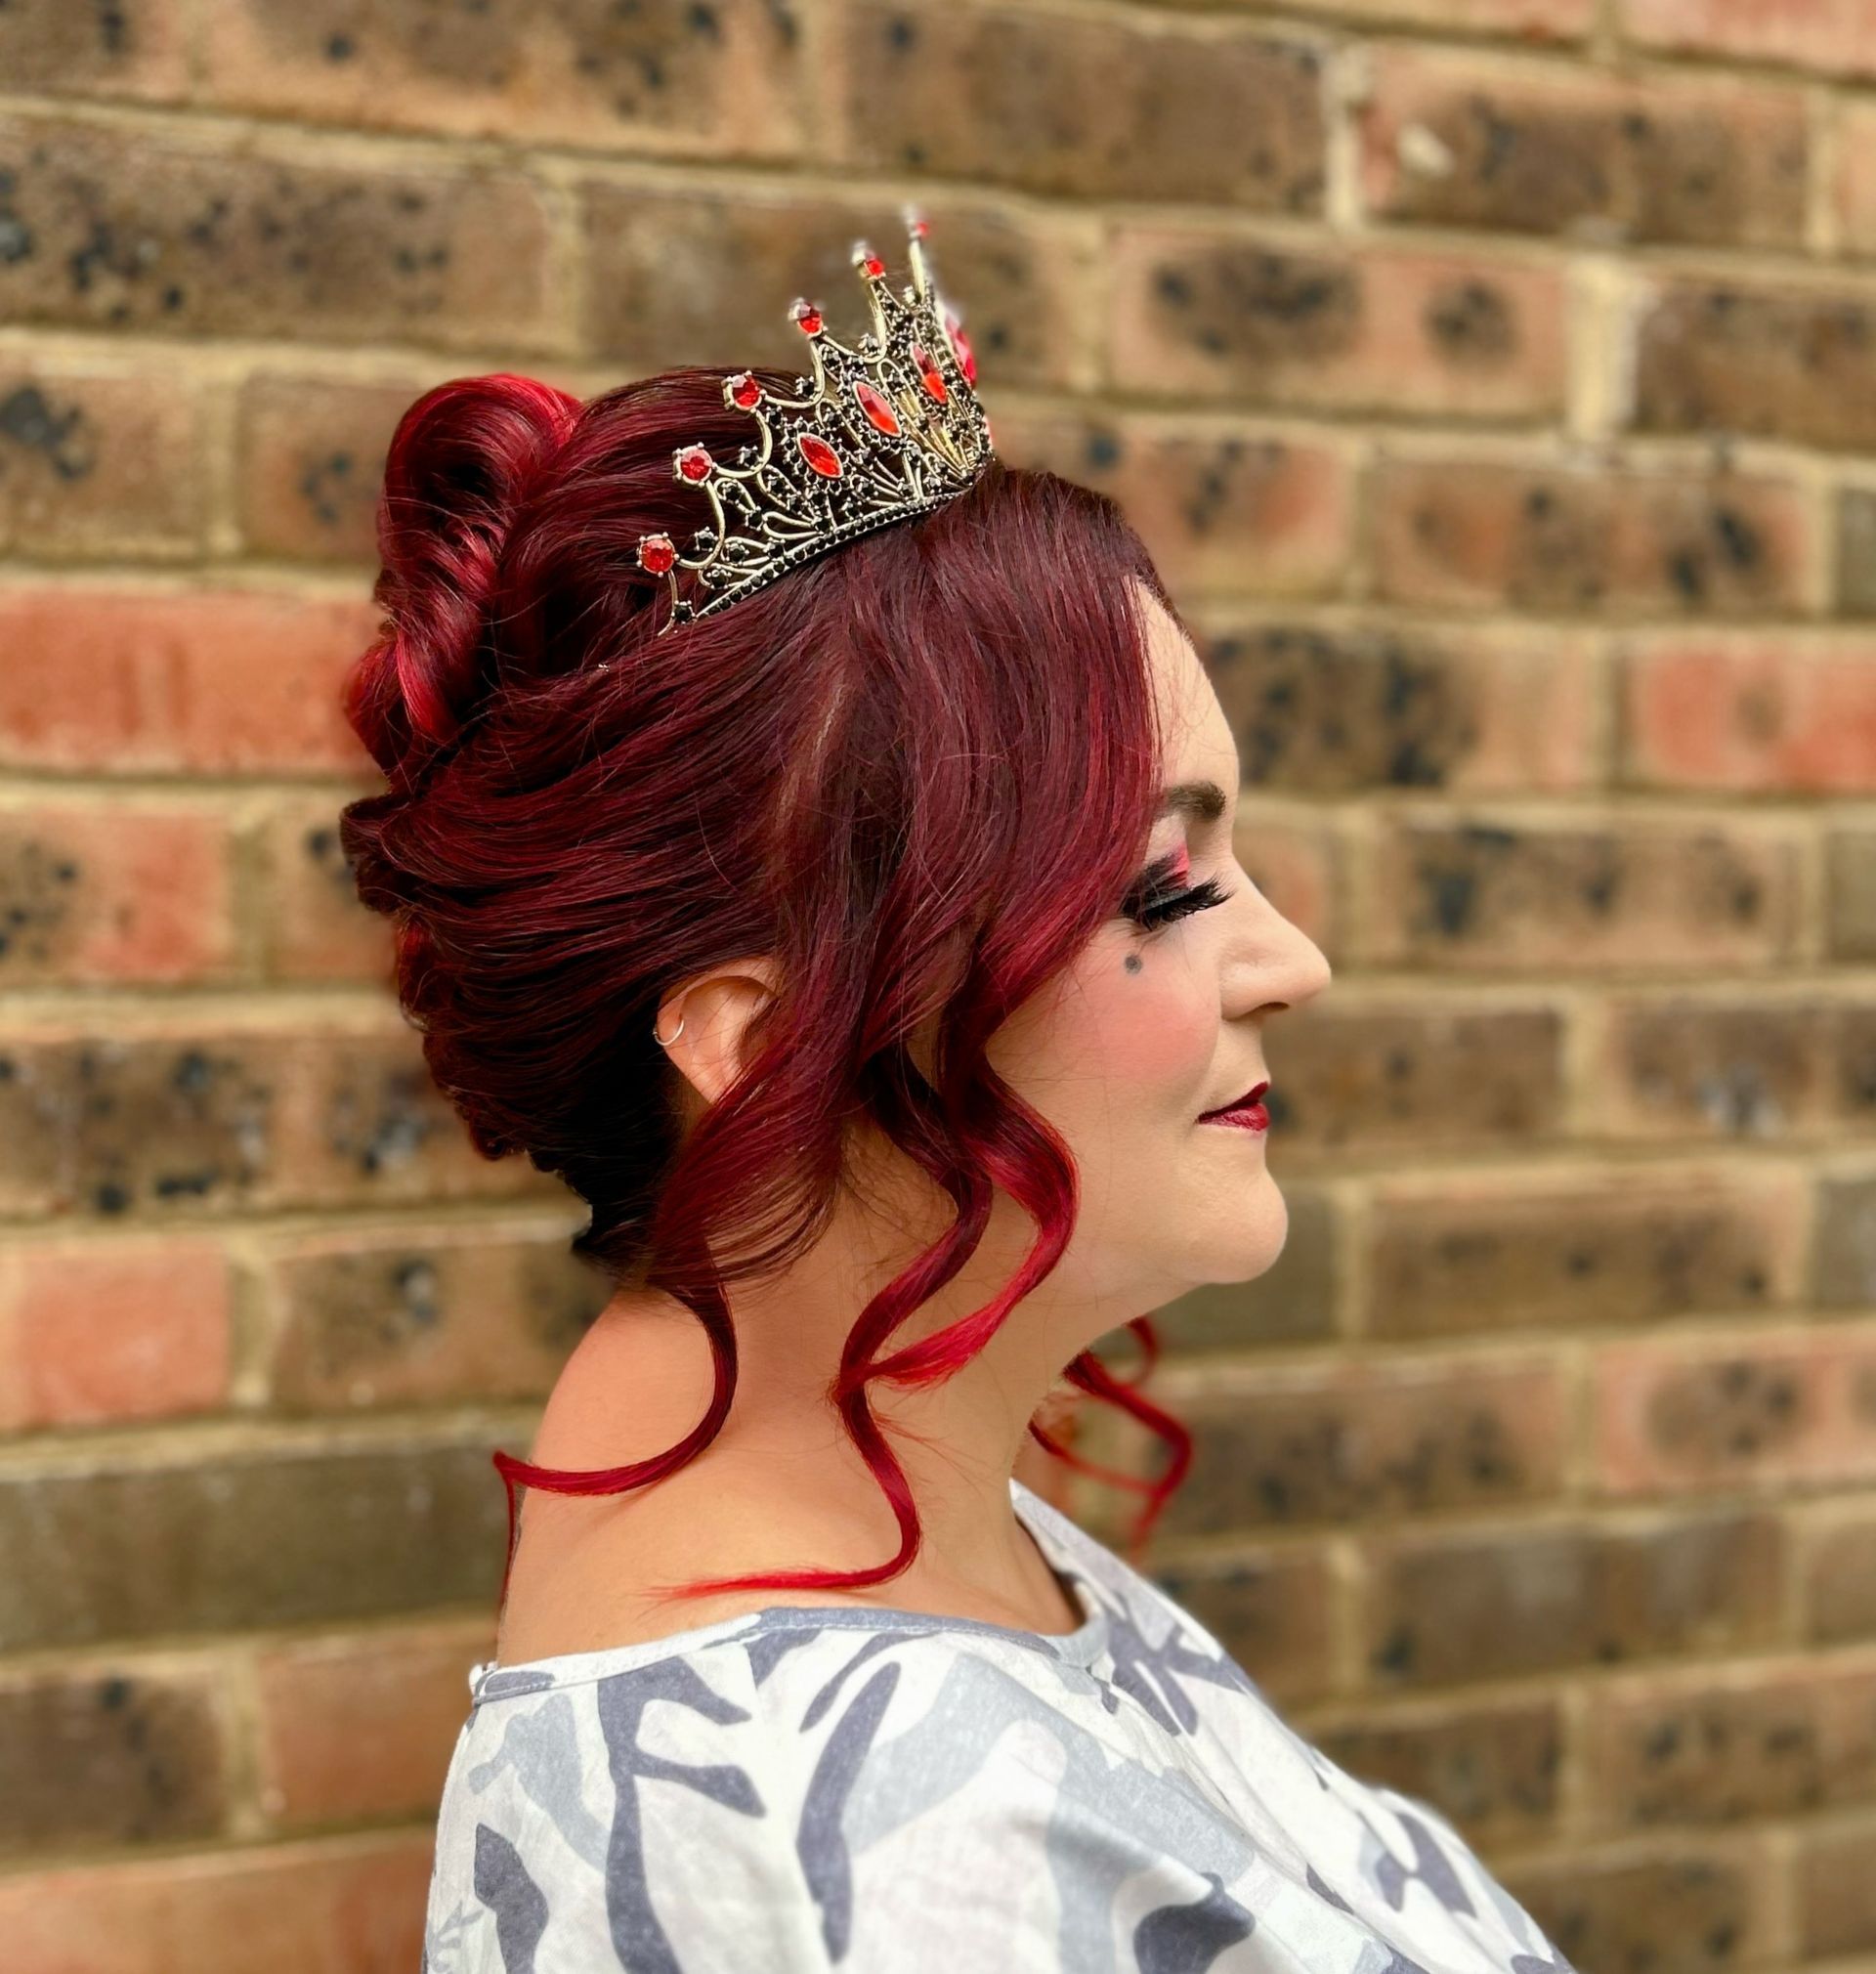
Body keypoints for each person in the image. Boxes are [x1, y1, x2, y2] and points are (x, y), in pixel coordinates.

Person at [339, 220, 1576, 1973]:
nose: (1291, 961)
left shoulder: (913, 1538)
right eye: (1161, 888)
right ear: (758, 1037)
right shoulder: (878, 1854)